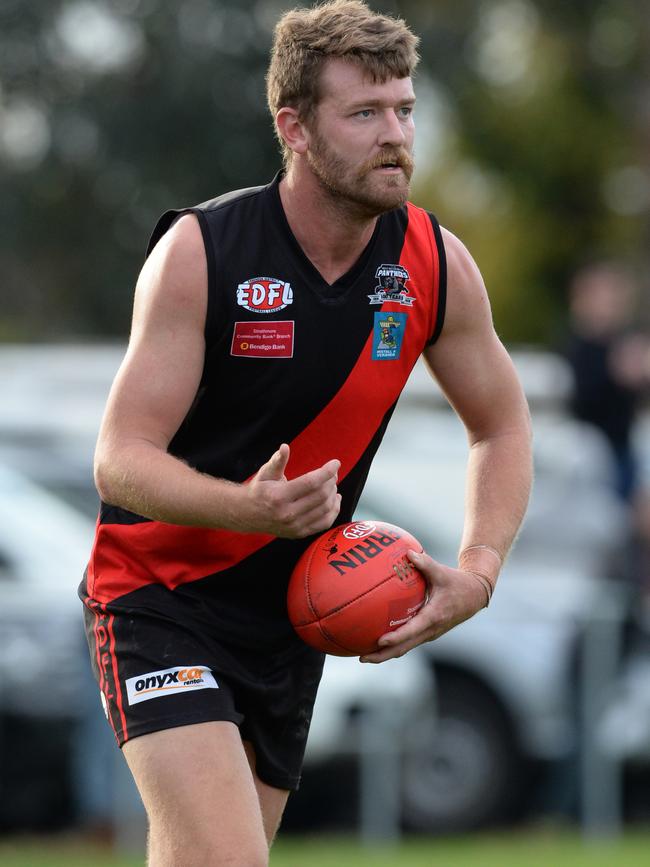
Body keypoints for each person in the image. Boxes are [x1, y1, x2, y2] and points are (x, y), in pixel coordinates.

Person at [79, 2, 533, 864]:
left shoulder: (436, 263)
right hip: (161, 593)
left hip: (300, 614)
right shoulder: (201, 252)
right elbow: (119, 456)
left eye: (403, 108)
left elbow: (502, 424)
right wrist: (245, 509)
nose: (394, 134)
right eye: (363, 113)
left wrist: (479, 570)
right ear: (293, 126)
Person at [563, 259, 650, 502]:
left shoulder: (623, 341)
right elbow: (586, 397)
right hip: (591, 453)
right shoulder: (580, 347)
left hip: (624, 449)